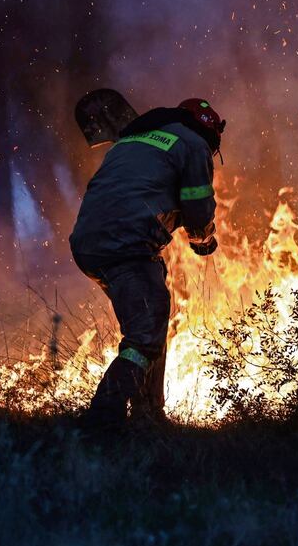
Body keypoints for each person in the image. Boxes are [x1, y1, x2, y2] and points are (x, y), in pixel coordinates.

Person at [69, 96, 226, 429]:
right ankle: (101, 418)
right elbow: (198, 207)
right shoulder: (194, 143)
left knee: (151, 325)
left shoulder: (131, 142)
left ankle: (148, 414)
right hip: (128, 244)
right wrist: (203, 239)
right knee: (144, 335)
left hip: (89, 243)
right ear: (208, 131)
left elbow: (136, 192)